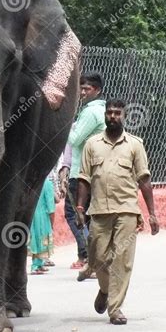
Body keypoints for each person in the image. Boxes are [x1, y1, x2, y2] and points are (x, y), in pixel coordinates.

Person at [76, 99, 159, 325]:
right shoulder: (92, 144)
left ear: (123, 115)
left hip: (127, 211)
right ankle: (104, 289)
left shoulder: (134, 144)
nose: (113, 116)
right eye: (110, 113)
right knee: (98, 258)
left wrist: (152, 213)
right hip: (99, 211)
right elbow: (83, 178)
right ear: (105, 115)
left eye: (117, 113)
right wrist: (80, 207)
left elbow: (144, 179)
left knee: (121, 260)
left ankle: (115, 309)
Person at [64, 72, 106, 271]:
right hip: (96, 170)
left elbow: (74, 139)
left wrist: (66, 124)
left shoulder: (90, 112)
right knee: (91, 216)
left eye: (86, 89)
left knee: (74, 215)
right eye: (81, 88)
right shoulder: (105, 109)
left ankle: (89, 256)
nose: (82, 92)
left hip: (82, 171)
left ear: (97, 90)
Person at [29, 175, 56, 275]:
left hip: (32, 215)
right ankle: (35, 266)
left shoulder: (32, 181)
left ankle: (39, 264)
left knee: (35, 240)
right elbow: (51, 206)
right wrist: (52, 222)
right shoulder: (47, 184)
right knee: (41, 239)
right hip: (42, 216)